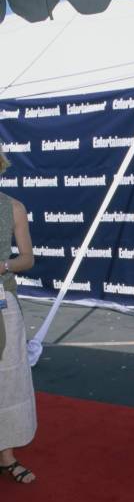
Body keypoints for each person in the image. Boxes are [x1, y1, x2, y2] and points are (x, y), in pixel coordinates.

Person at [0, 145, 37, 483]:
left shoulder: (13, 208)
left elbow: (27, 258)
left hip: (4, 300)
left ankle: (7, 455)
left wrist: (5, 265)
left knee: (9, 380)